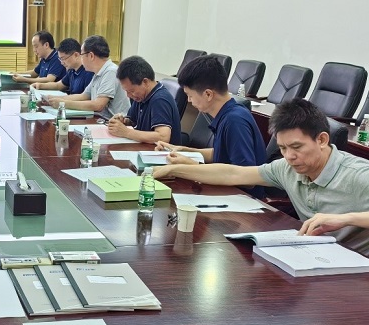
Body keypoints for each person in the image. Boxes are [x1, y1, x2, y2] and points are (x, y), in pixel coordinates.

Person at [153, 99, 369, 253]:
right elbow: (233, 173)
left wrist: (346, 219)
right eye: (283, 148)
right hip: (317, 257)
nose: (289, 156)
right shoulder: (286, 168)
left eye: (296, 147)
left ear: (321, 140)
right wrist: (174, 170)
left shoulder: (358, 175)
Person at [153, 55, 266, 195]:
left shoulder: (234, 120)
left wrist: (190, 165)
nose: (188, 101)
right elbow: (221, 153)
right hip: (225, 192)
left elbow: (246, 179)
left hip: (241, 198)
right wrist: (184, 150)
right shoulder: (227, 114)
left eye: (190, 95)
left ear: (208, 94)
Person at [45, 35, 130, 120]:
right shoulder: (98, 72)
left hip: (113, 122)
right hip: (100, 120)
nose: (81, 59)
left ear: (91, 56)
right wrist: (54, 99)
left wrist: (63, 103)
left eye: (82, 55)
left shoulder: (110, 71)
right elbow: (84, 96)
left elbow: (98, 105)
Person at [107, 55, 181, 145]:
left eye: (131, 91)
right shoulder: (141, 96)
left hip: (162, 152)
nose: (128, 95)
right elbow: (133, 121)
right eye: (126, 91)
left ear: (145, 82)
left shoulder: (160, 100)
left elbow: (163, 137)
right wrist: (123, 121)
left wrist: (126, 132)